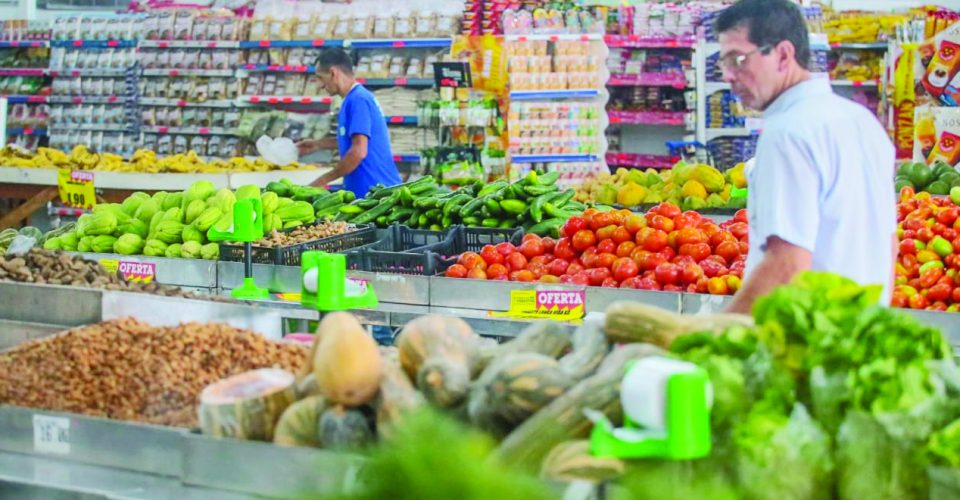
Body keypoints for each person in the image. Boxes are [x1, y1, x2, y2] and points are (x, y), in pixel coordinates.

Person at [717, 0, 897, 314]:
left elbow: (787, 264)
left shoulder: (788, 133)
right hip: (862, 332)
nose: (729, 76)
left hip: (807, 343)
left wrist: (715, 334)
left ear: (783, 55)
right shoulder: (862, 121)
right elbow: (889, 243)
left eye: (739, 59)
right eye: (724, 63)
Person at [296, 48, 402, 198]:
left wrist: (323, 180)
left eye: (320, 77)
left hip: (376, 194)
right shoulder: (353, 99)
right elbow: (355, 140)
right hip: (369, 192)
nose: (319, 85)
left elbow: (358, 151)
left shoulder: (358, 100)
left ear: (333, 73)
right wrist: (318, 144)